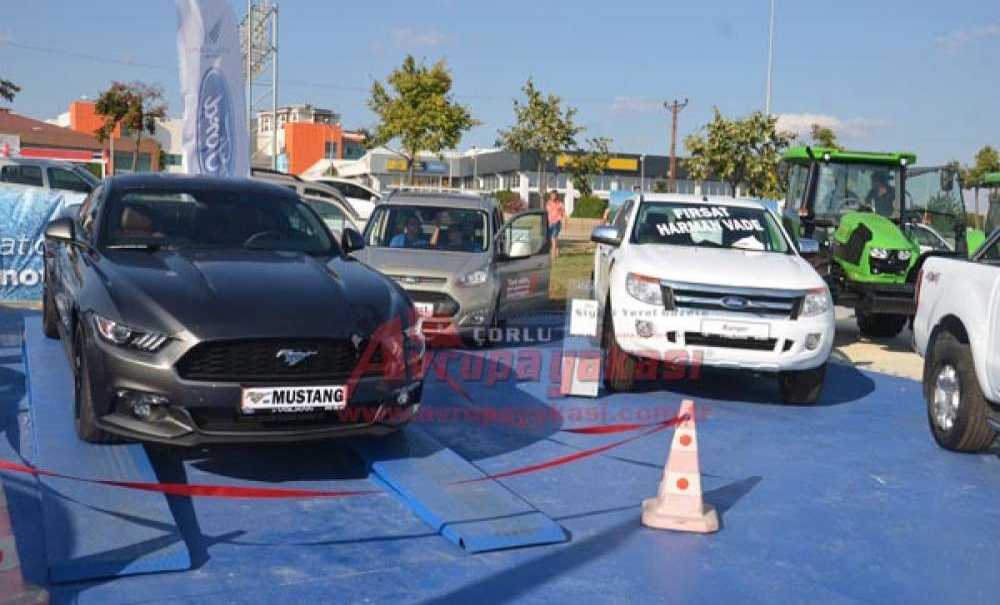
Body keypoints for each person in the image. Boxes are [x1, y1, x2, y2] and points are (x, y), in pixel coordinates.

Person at [545, 190, 566, 260]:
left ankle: (553, 256)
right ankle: (556, 251)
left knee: (554, 239)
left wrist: (562, 218)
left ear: (557, 196)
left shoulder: (560, 203)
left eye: (554, 195)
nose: (553, 196)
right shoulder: (548, 203)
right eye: (552, 195)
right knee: (552, 240)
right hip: (549, 223)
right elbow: (547, 212)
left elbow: (563, 213)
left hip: (557, 223)